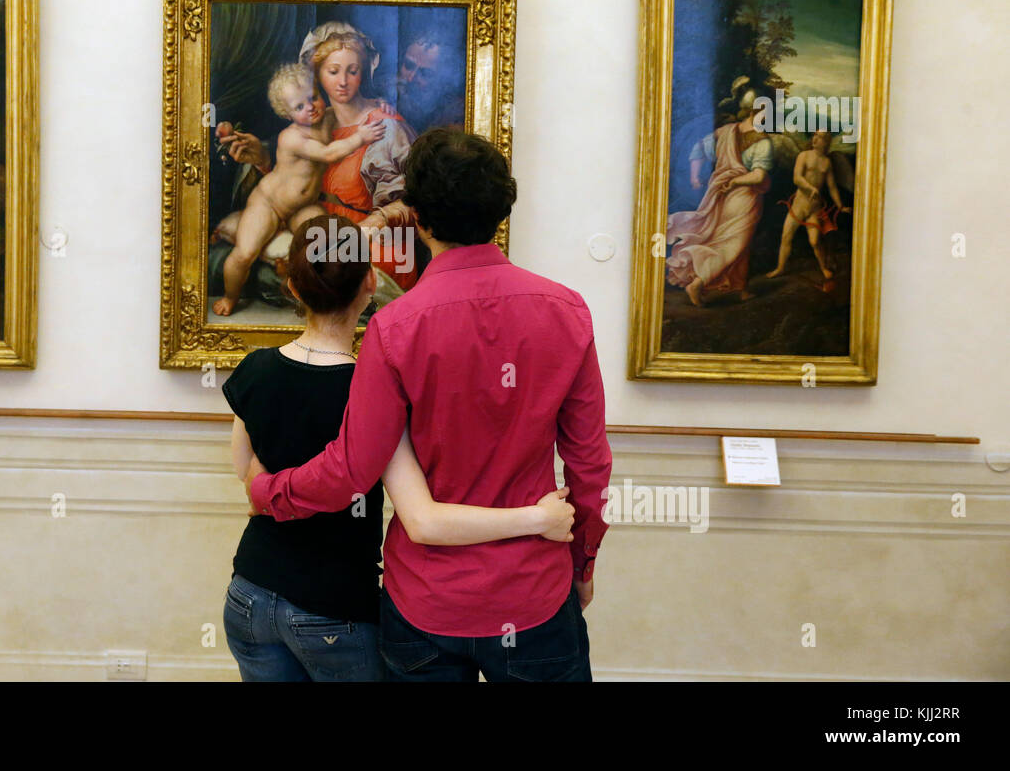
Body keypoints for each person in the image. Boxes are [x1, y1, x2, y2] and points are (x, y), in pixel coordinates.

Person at [244, 129, 612, 682]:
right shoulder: (566, 311)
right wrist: (582, 561)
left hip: (428, 606)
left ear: (414, 215)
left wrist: (270, 491)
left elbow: (353, 468)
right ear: (499, 209)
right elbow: (590, 465)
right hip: (533, 592)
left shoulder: (394, 328)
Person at [213, 64, 383, 316]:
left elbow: (355, 108)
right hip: (269, 204)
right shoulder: (291, 137)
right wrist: (361, 137)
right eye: (299, 107)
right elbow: (327, 153)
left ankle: (306, 290)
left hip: (302, 206)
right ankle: (230, 296)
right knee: (245, 253)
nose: (310, 107)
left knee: (326, 240)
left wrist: (379, 105)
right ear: (287, 113)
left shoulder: (328, 117)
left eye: (312, 97)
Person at [665, 88, 775, 306]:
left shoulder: (725, 131)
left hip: (720, 195)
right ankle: (697, 283)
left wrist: (696, 177)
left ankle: (741, 288)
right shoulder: (763, 142)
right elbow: (758, 175)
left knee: (740, 243)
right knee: (732, 244)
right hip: (744, 198)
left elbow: (698, 149)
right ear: (760, 111)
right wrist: (735, 181)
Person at [765, 129, 851, 285]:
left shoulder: (826, 162)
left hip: (814, 209)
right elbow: (797, 178)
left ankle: (824, 268)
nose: (816, 139)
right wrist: (811, 188)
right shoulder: (803, 156)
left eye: (820, 137)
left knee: (815, 241)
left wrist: (840, 206)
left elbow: (832, 187)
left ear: (826, 142)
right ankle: (780, 268)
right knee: (786, 236)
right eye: (815, 136)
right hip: (798, 206)